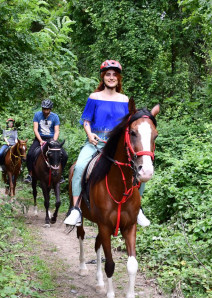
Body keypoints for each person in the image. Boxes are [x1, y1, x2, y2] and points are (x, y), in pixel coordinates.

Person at [63, 60, 150, 227]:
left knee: (139, 168)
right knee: (80, 167)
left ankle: (138, 209)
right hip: (96, 142)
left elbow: (129, 124)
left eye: (114, 75)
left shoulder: (125, 100)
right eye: (108, 74)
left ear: (119, 78)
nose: (111, 77)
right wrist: (90, 135)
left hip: (117, 145)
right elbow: (86, 120)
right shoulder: (94, 97)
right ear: (103, 77)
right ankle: (76, 209)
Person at [24, 99, 68, 183]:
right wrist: (40, 140)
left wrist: (54, 142)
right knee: (30, 154)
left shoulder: (55, 117)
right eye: (44, 109)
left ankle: (60, 174)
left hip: (51, 139)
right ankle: (30, 174)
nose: (45, 111)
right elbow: (35, 129)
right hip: (39, 138)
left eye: (47, 109)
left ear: (50, 109)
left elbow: (57, 131)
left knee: (64, 155)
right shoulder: (37, 115)